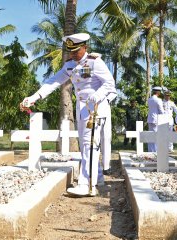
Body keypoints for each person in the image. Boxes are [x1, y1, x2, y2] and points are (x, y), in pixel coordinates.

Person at [20, 33, 116, 196]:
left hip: (96, 107)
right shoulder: (70, 65)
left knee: (89, 144)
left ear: (85, 47)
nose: (72, 54)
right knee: (87, 144)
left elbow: (109, 83)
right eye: (70, 51)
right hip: (82, 107)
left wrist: (97, 96)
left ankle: (86, 185)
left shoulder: (95, 62)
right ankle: (97, 177)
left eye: (76, 50)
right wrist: (34, 97)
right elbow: (53, 81)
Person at [100, 92, 117, 177]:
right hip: (89, 109)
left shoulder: (107, 79)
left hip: (104, 109)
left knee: (106, 139)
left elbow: (113, 92)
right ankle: (91, 167)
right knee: (91, 141)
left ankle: (106, 167)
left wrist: (105, 100)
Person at [147, 86, 164, 152]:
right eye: (159, 92)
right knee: (156, 136)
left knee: (151, 135)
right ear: (158, 92)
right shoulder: (158, 100)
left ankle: (150, 150)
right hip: (156, 119)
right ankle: (155, 151)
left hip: (150, 119)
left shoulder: (149, 99)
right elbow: (161, 111)